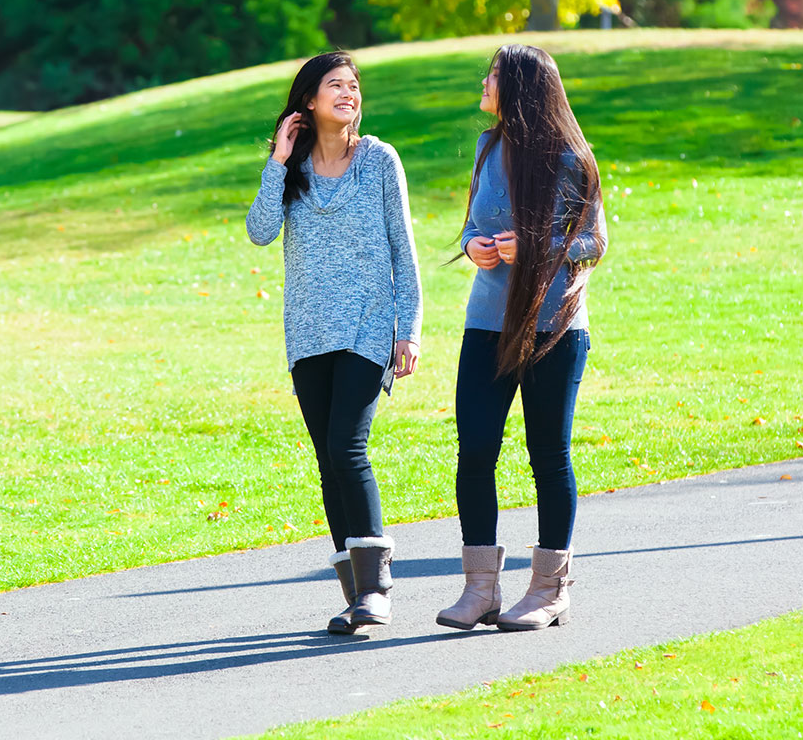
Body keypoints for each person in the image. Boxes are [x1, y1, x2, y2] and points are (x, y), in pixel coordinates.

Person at [246, 51, 422, 635]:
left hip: (369, 328)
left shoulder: (378, 159)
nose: (348, 93)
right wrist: (277, 159)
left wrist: (410, 328)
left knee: (348, 446)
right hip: (308, 333)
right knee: (328, 458)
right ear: (308, 102)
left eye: (354, 85)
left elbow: (404, 249)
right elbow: (260, 232)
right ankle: (355, 595)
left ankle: (377, 590)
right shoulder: (289, 170)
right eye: (335, 85)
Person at [437, 44, 606, 633]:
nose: (483, 83)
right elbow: (473, 224)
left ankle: (549, 591)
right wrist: (475, 246)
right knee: (475, 452)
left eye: (492, 75)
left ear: (520, 86)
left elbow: (595, 242)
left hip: (554, 326)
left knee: (547, 457)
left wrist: (540, 250)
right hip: (486, 321)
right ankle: (480, 589)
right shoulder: (488, 147)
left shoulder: (570, 157)